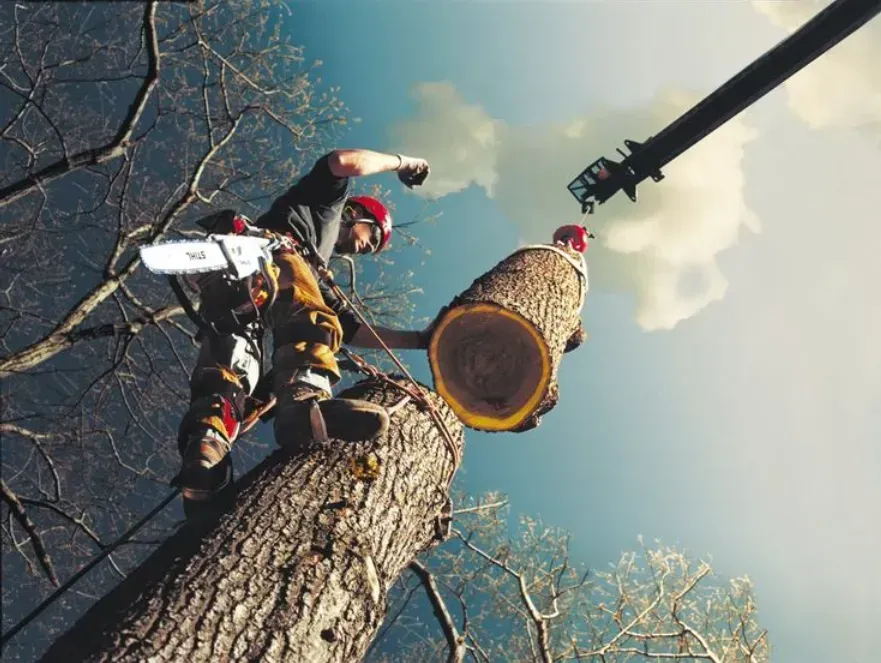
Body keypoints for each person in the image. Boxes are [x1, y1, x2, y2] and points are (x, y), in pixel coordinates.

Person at [175, 148, 432, 504]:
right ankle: (302, 400)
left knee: (233, 365)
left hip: (234, 283)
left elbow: (354, 331)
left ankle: (204, 455)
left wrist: (422, 340)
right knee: (311, 318)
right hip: (267, 252)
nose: (364, 248)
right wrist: (406, 162)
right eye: (370, 238)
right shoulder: (327, 203)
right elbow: (342, 161)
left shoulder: (318, 276)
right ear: (357, 213)